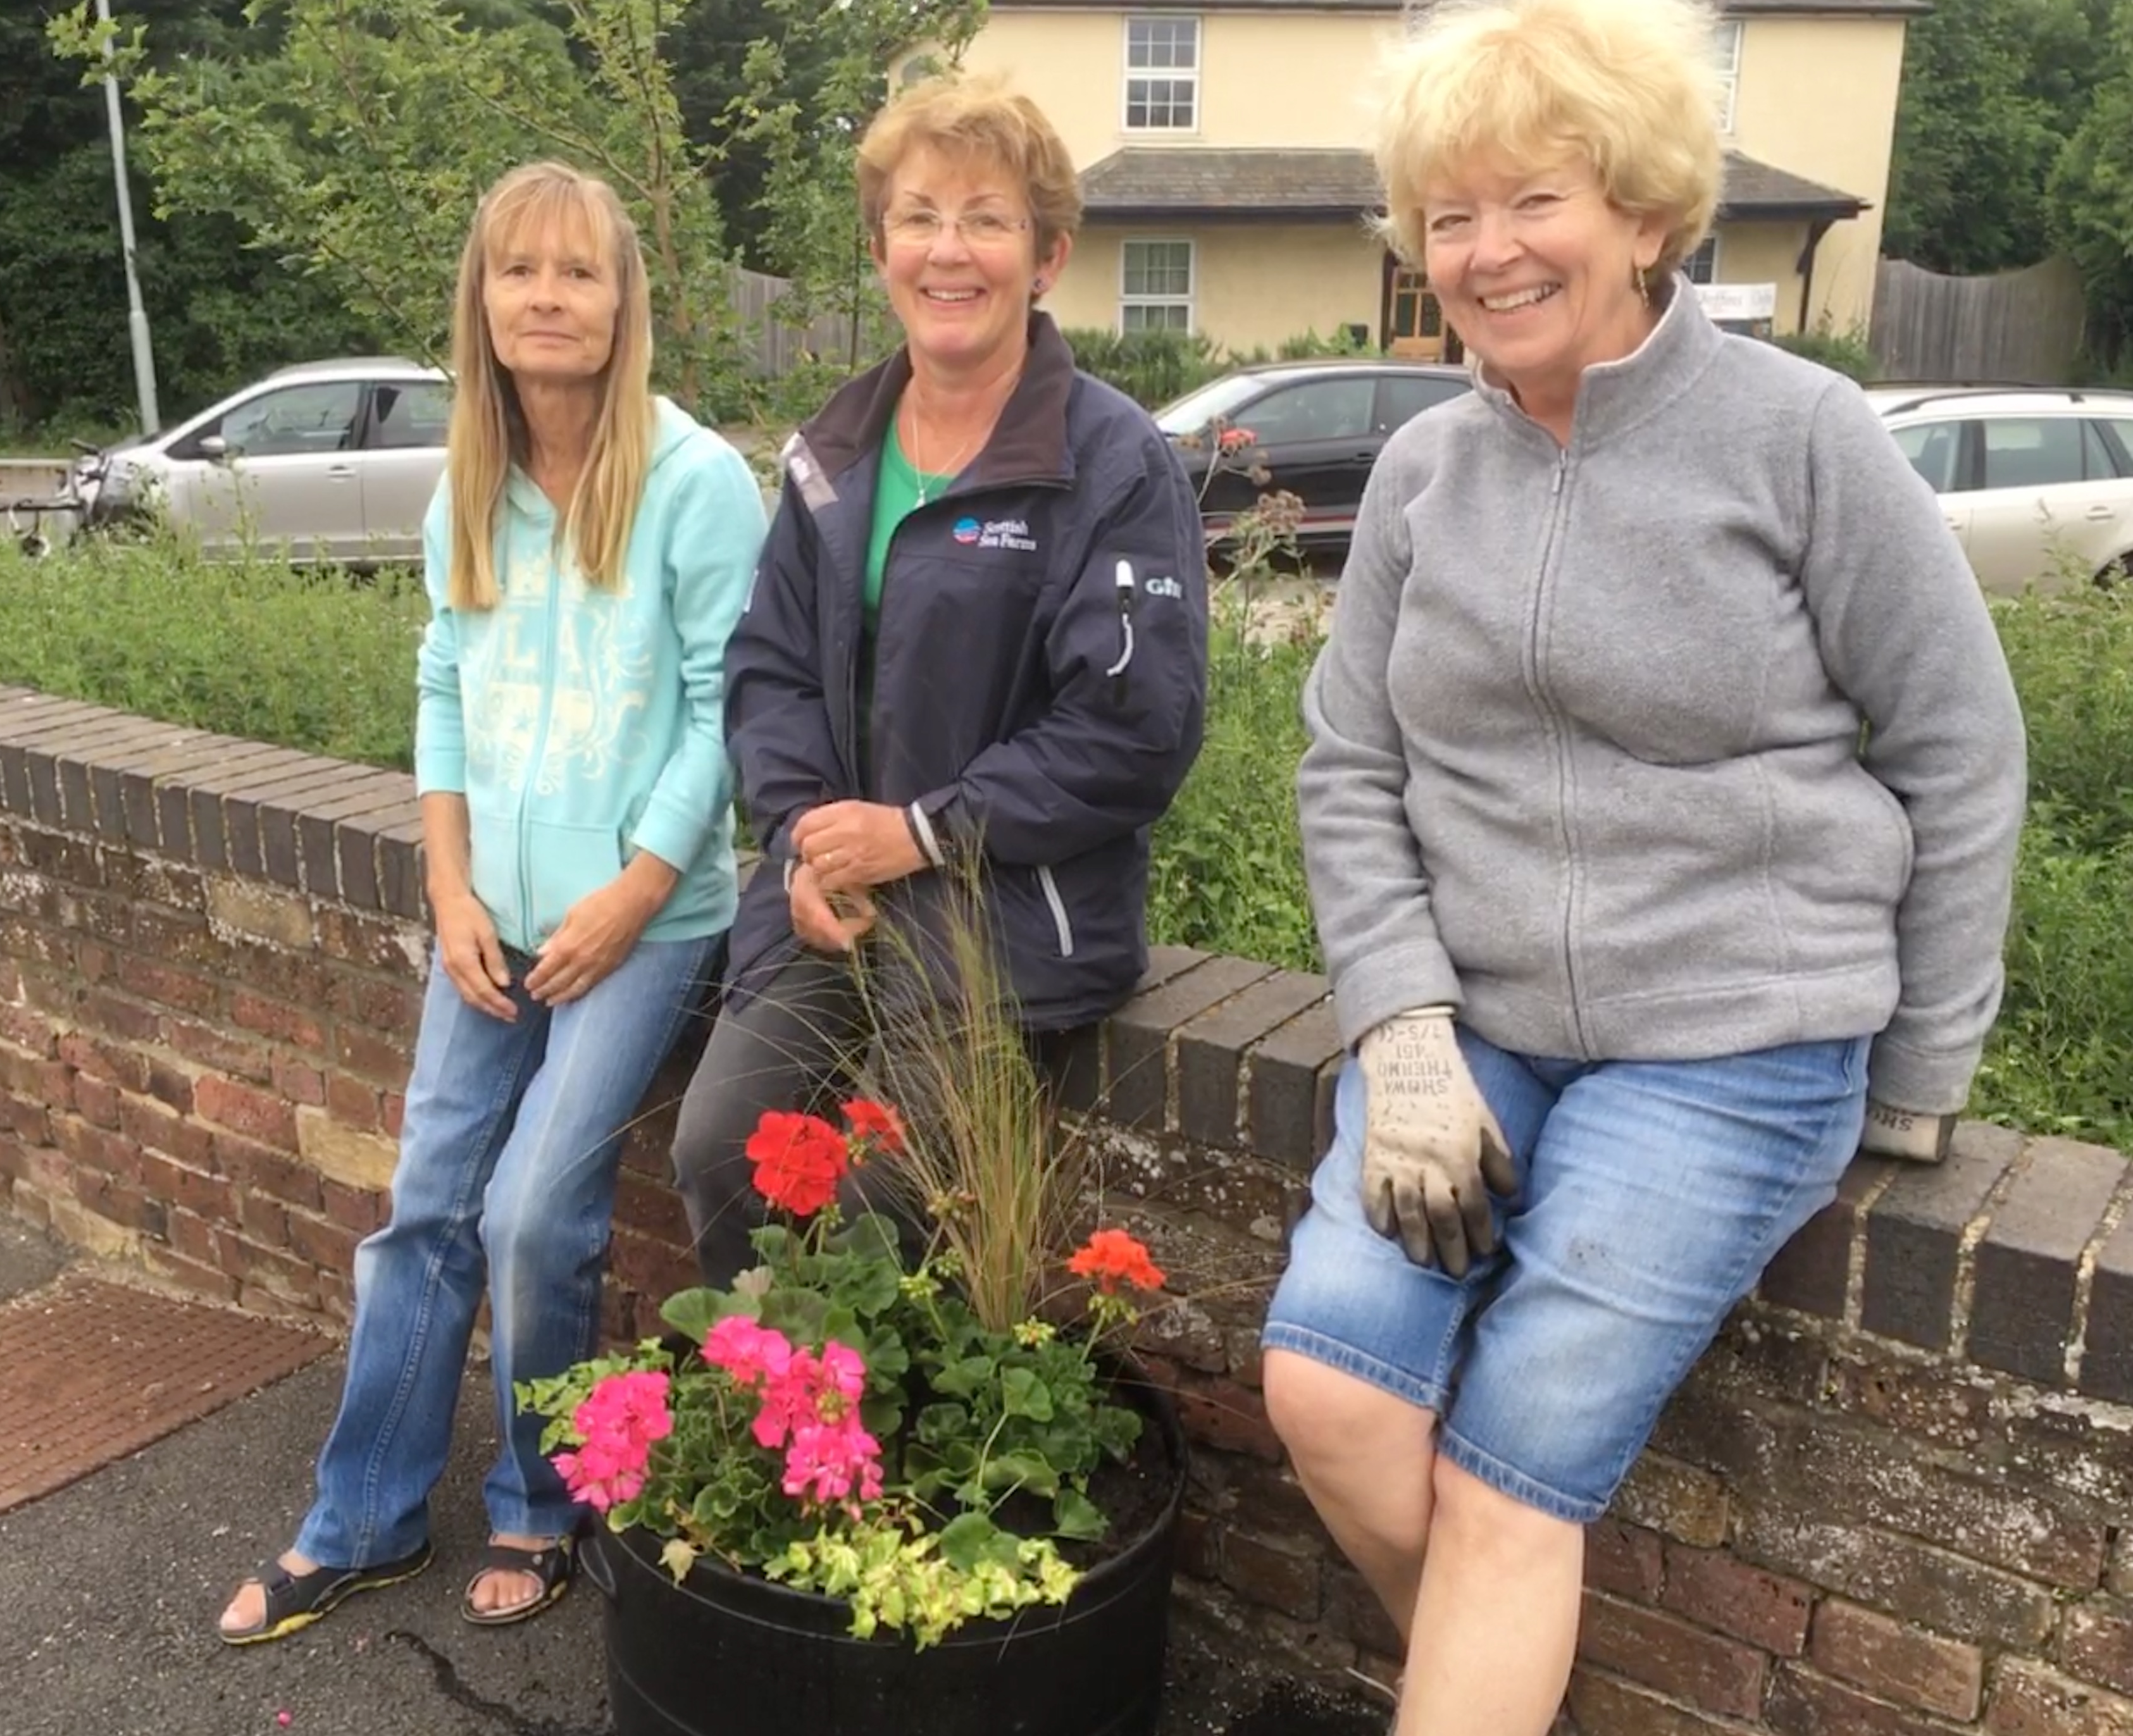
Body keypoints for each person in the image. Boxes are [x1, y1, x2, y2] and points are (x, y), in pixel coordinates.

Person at [1257, 2, 2027, 1732]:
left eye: (1530, 200)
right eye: (1445, 217)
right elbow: (1348, 765)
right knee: (1330, 1394)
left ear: (1641, 212)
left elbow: (1958, 751)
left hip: (1732, 1048)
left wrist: (1916, 1073)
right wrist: (1395, 1032)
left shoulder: (1800, 436)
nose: (1483, 250)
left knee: (1511, 1471)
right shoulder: (1417, 473)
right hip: (1477, 1038)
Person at [216, 162, 766, 1642]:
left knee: (532, 1209)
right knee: (424, 1206)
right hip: (490, 919)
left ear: (621, 299)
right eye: (517, 270)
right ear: (483, 298)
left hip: (647, 922)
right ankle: (365, 1517)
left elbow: (732, 709)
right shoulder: (468, 472)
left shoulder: (695, 480)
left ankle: (543, 1495)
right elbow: (444, 687)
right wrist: (447, 883)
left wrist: (637, 887)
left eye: (576, 273)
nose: (546, 297)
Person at [669, 75, 1210, 1285]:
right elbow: (766, 670)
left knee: (888, 1204)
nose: (947, 250)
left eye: (986, 218)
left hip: (1007, 918)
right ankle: (779, 1437)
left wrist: (917, 833)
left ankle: (884, 1462)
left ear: (1047, 256)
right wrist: (809, 839)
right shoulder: (833, 450)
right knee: (720, 1153)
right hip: (834, 902)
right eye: (918, 217)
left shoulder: (1112, 462)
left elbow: (1136, 728)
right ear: (880, 250)